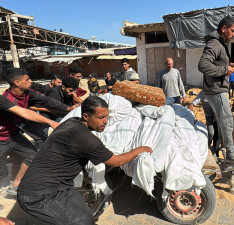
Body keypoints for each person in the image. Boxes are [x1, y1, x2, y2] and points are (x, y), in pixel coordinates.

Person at [17, 96, 152, 224]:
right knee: (81, 222)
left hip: (61, 186)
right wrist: (138, 150)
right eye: (101, 117)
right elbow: (115, 161)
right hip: (38, 195)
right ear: (86, 116)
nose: (106, 121)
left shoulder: (72, 122)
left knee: (86, 216)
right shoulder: (86, 139)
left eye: (107, 117)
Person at [1, 68, 73, 195]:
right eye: (27, 79)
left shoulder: (27, 92)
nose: (30, 81)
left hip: (13, 135)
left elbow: (46, 100)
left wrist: (67, 108)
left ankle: (15, 184)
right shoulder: (6, 100)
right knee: (1, 174)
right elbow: (26, 114)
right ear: (17, 83)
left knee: (32, 155)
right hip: (1, 140)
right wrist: (50, 122)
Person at [198, 16, 234, 165]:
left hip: (216, 89)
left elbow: (216, 62)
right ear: (223, 29)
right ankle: (230, 153)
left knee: (224, 120)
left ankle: (225, 147)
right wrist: (225, 70)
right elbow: (203, 65)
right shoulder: (215, 44)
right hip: (216, 89)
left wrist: (229, 65)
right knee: (227, 121)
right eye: (232, 31)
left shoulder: (220, 43)